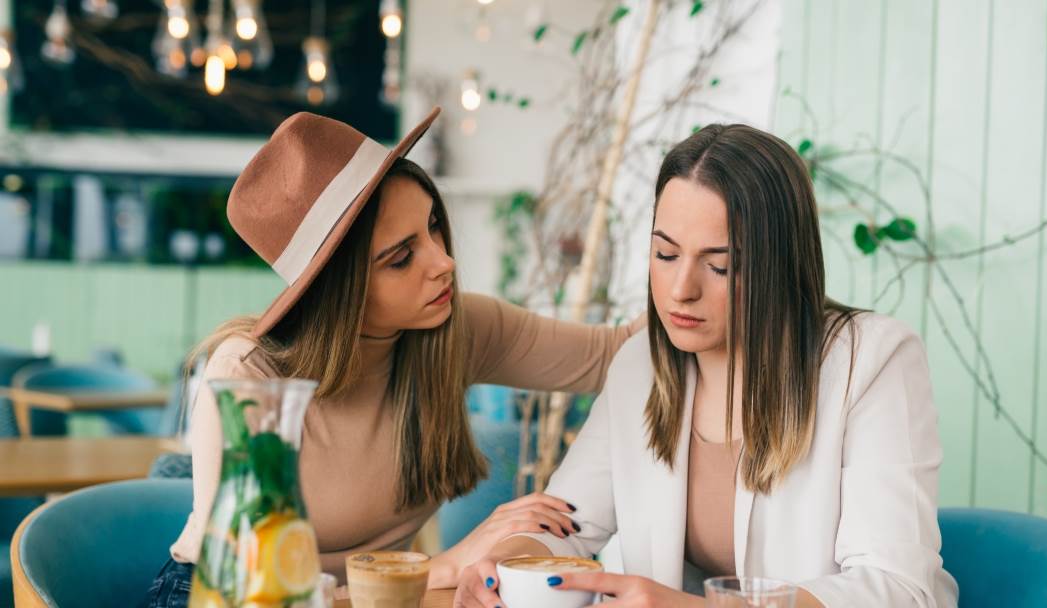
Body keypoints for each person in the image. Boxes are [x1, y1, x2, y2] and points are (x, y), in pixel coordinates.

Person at [142, 108, 641, 607]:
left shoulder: (457, 329)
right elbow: (253, 589)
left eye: (433, 227)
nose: (444, 262)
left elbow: (618, 352)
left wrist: (683, 267)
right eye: (401, 258)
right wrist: (443, 565)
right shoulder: (249, 374)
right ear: (338, 287)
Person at [456, 123, 958, 607]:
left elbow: (898, 590)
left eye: (720, 266)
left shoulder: (871, 361)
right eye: (665, 254)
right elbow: (566, 525)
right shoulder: (640, 367)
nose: (681, 290)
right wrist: (506, 563)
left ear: (780, 266)